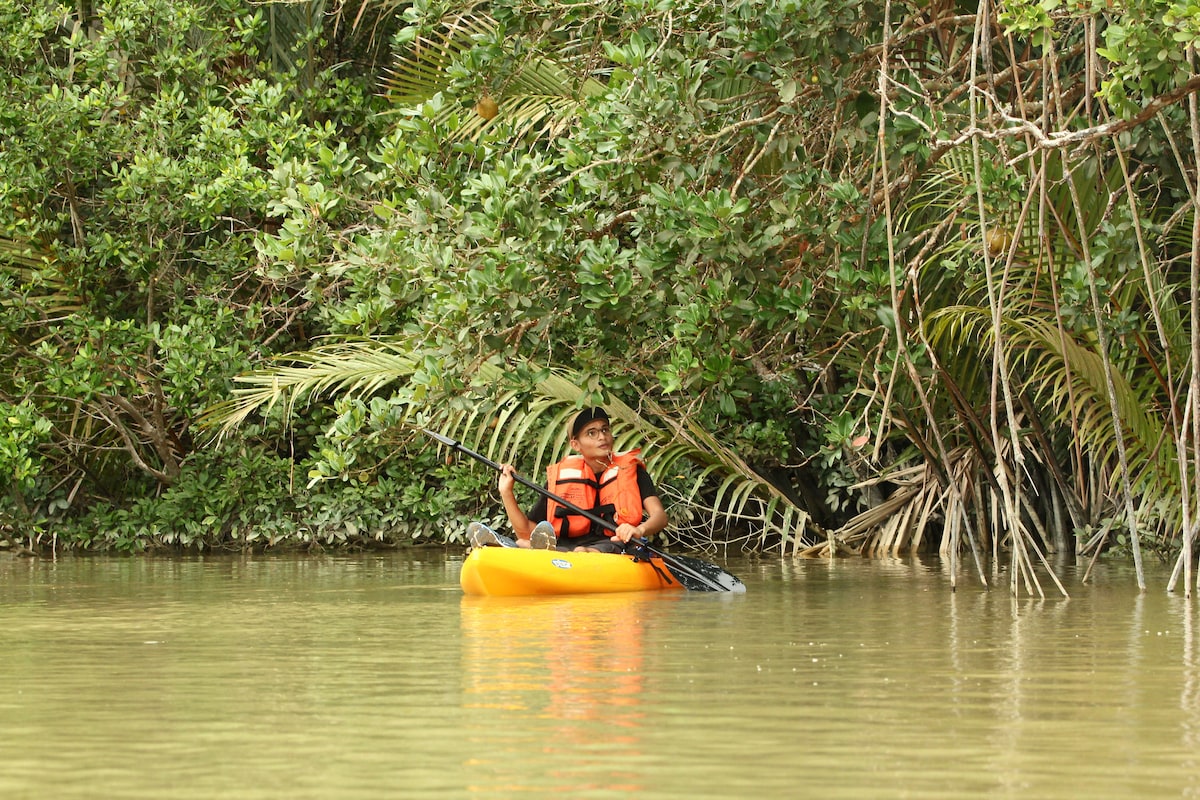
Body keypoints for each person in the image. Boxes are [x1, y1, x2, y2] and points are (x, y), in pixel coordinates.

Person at [497, 407, 668, 553]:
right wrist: (506, 493)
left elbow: (660, 516)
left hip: (615, 544)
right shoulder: (562, 478)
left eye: (604, 430)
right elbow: (526, 533)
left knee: (581, 552)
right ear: (576, 445)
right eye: (591, 433)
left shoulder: (631, 471)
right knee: (522, 543)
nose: (602, 437)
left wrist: (639, 529)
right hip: (569, 547)